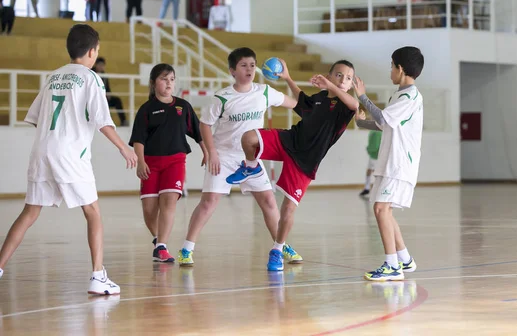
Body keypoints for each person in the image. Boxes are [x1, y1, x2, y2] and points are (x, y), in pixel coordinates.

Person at [0, 24, 138, 294]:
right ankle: (98, 277)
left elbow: (35, 117)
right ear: (92, 51)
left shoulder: (53, 77)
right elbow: (103, 121)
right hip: (70, 153)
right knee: (93, 212)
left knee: (30, 211)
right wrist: (124, 147)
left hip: (42, 150)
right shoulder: (91, 78)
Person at [226, 60, 359, 271]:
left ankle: (278, 250)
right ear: (330, 75)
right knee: (249, 137)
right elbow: (302, 101)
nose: (343, 80)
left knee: (287, 208)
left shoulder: (345, 106)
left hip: (305, 161)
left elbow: (355, 105)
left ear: (351, 85)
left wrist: (330, 86)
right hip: (289, 140)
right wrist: (287, 77)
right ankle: (251, 166)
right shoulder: (320, 98)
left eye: (348, 78)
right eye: (339, 75)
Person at [177, 48, 303, 267]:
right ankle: (187, 249)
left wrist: (288, 78)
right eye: (244, 65)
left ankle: (281, 245)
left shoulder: (264, 92)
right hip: (224, 157)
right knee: (209, 202)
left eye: (252, 65)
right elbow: (205, 124)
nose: (249, 69)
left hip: (251, 159)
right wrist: (212, 152)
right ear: (232, 71)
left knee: (269, 202)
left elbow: (296, 103)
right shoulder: (222, 98)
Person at [354, 46, 424, 281]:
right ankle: (404, 259)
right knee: (385, 210)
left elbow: (383, 117)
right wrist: (362, 123)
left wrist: (362, 96)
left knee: (380, 209)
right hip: (389, 161)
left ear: (400, 69)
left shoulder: (410, 96)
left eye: (391, 66)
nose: (389, 71)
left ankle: (392, 265)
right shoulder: (400, 95)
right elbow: (385, 124)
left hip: (399, 163)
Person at [129, 63, 207, 263]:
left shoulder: (183, 106)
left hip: (176, 161)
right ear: (154, 83)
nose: (169, 83)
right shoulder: (146, 110)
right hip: (151, 163)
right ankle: (158, 240)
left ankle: (162, 246)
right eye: (164, 79)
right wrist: (140, 162)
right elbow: (138, 139)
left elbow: (198, 133)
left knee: (169, 201)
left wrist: (207, 152)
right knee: (149, 208)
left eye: (172, 79)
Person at [92, 57, 128, 126]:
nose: (101, 67)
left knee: (117, 100)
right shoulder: (91, 73)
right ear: (95, 65)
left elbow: (107, 88)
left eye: (102, 65)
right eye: (99, 65)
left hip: (104, 98)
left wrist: (108, 94)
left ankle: (123, 121)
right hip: (94, 98)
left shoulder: (104, 75)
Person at [359, 129, 382, 197]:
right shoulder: (372, 131)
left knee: (376, 173)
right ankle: (367, 188)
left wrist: (370, 149)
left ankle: (377, 190)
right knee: (369, 170)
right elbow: (371, 142)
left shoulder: (378, 132)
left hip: (377, 155)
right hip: (372, 155)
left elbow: (376, 145)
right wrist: (369, 149)